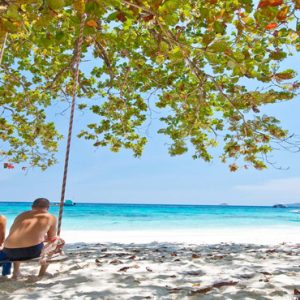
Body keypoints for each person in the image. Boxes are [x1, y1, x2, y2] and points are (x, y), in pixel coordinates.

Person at [3, 198, 57, 278]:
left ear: (32, 206)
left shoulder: (21, 215)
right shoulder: (51, 217)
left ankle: (16, 272)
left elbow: (13, 232)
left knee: (18, 241)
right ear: (48, 208)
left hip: (8, 251)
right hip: (30, 252)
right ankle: (42, 273)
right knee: (57, 241)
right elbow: (51, 238)